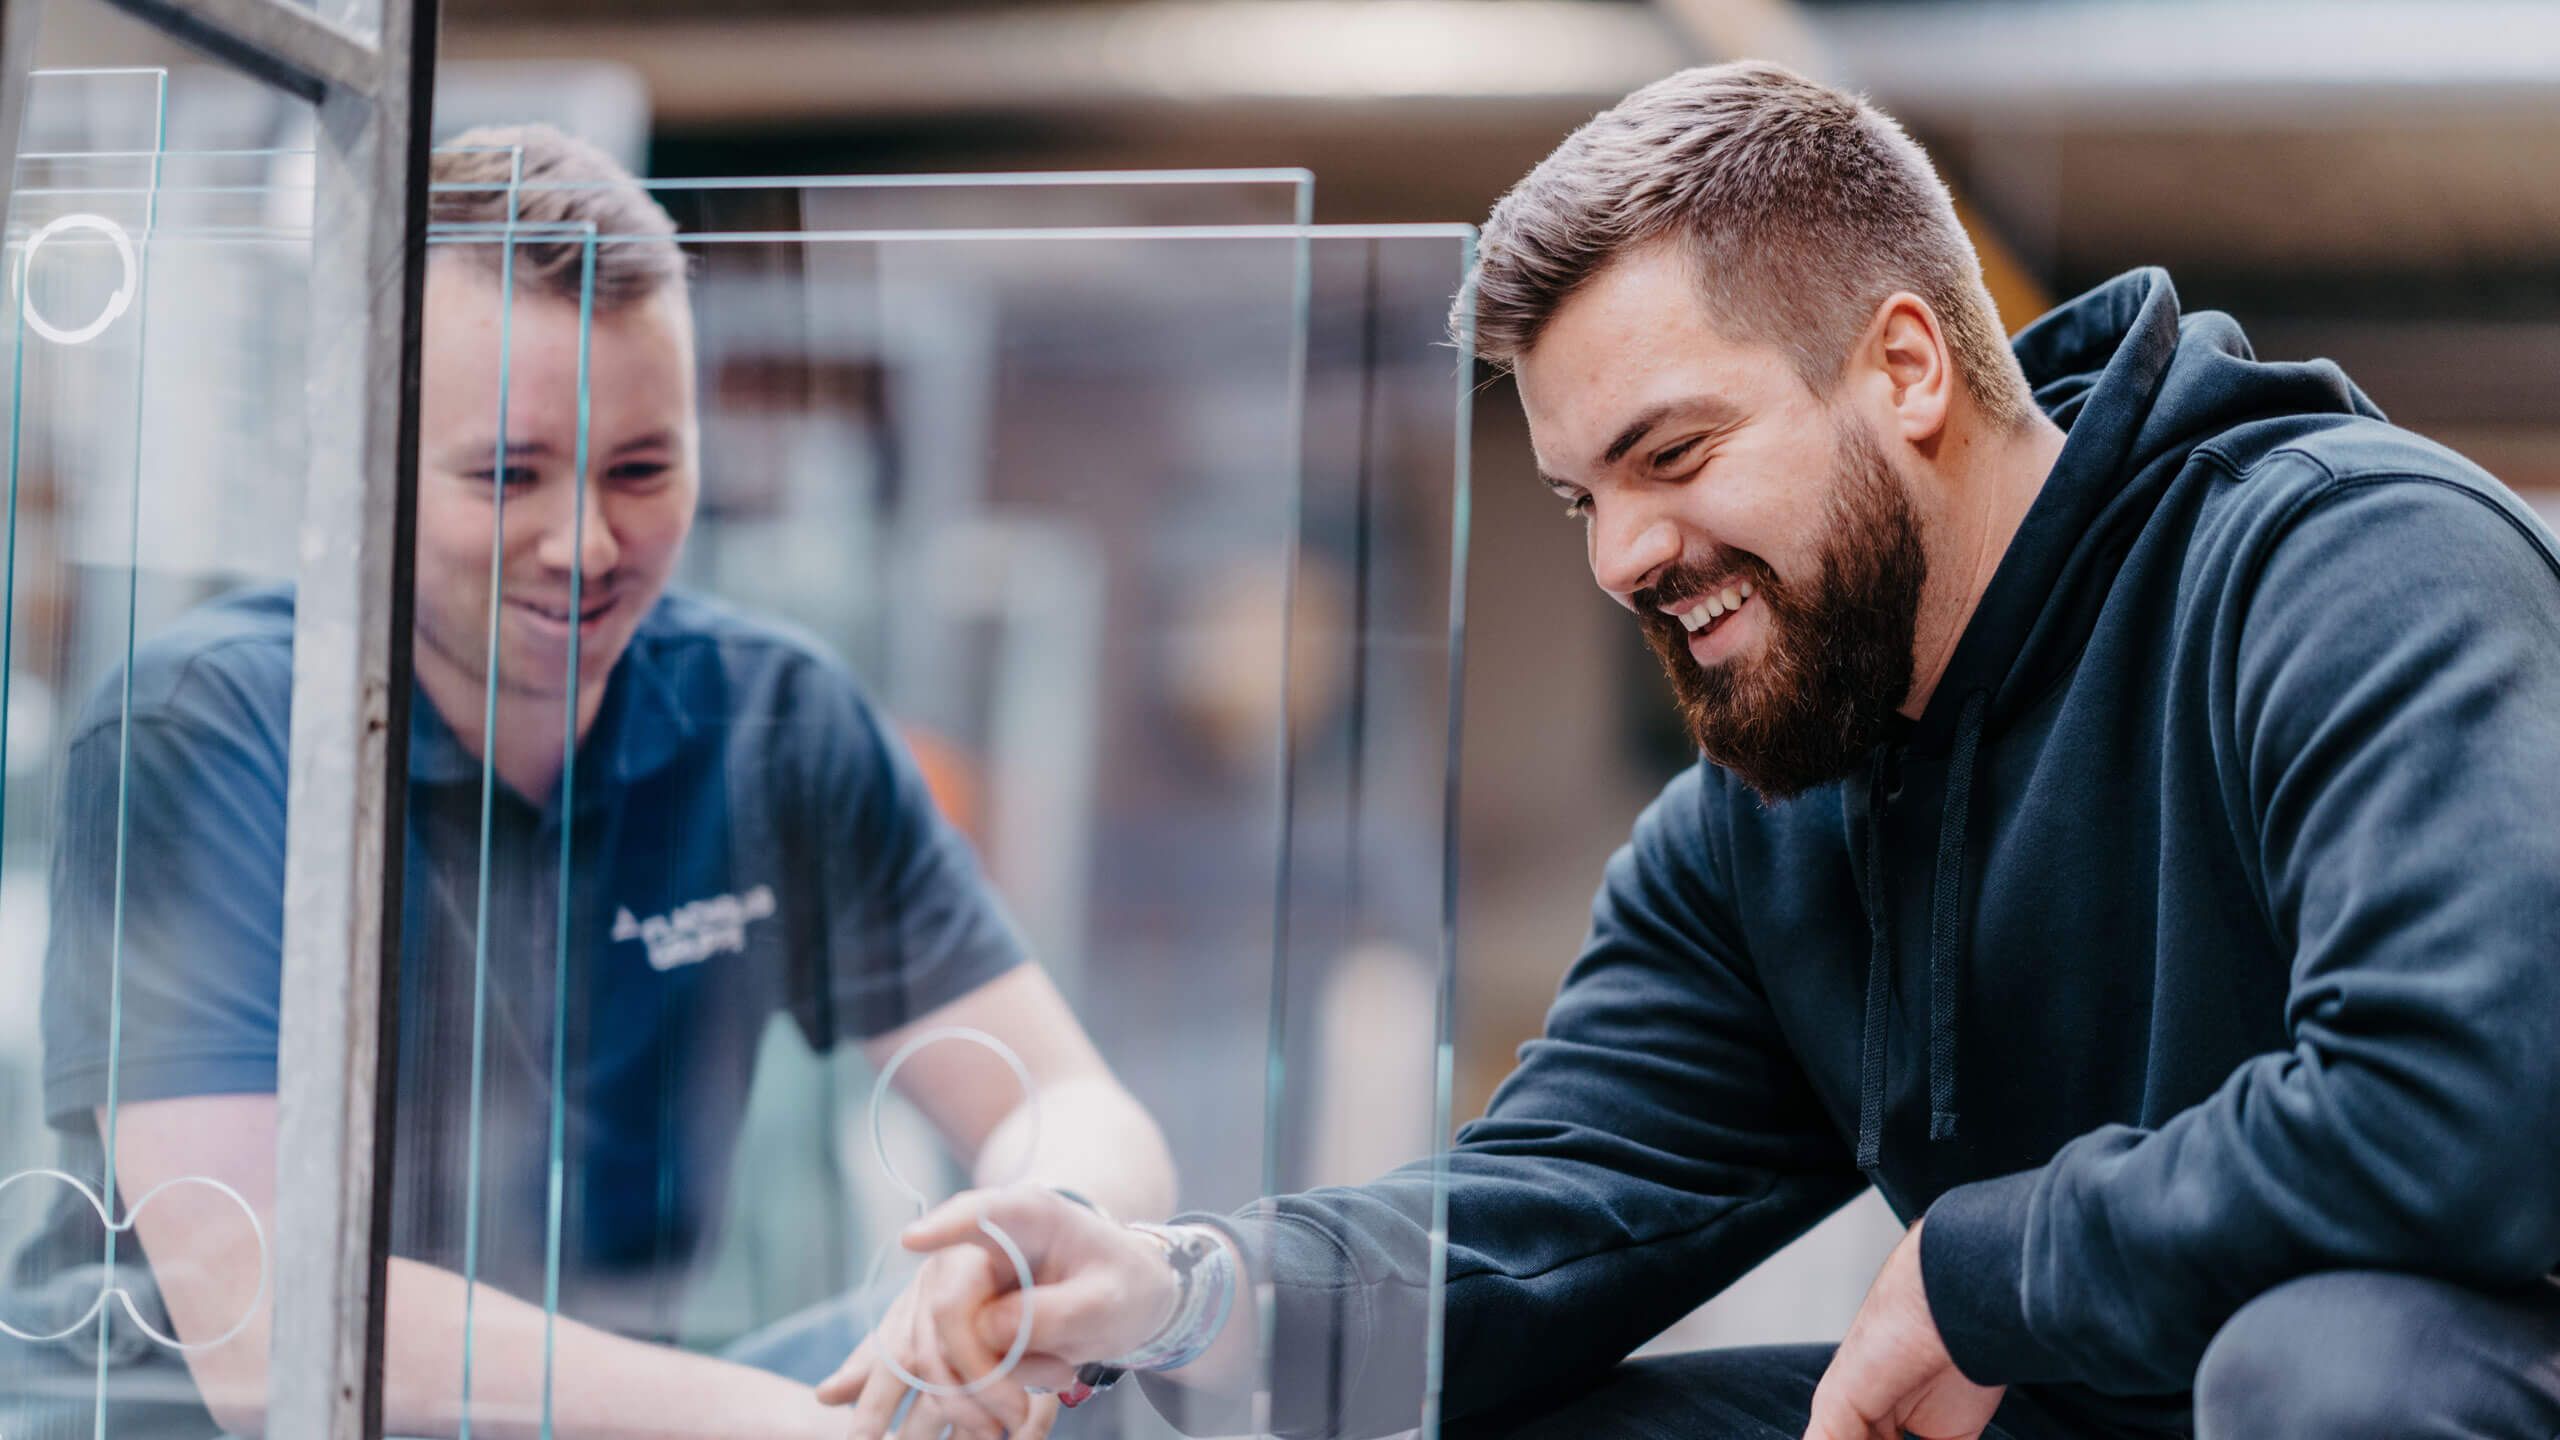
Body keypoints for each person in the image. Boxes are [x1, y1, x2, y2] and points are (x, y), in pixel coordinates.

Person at [840, 60, 2560, 1440]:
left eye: (1674, 452)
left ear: (1901, 369)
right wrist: (1177, 1288)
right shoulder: (1769, 820)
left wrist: (1981, 1270)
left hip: (2444, 1372)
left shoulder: (2348, 566)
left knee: (2329, 1367)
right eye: (1586, 498)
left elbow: (2467, 1103)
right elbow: (1552, 1210)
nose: (1621, 559)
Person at [3, 124, 1170, 1440]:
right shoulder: (203, 734)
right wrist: (796, 1426)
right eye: (505, 475)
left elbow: (1072, 1103)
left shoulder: (772, 719)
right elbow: (262, 1318)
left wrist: (1017, 1248)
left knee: (1062, 1378)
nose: (586, 542)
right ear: (361, 451)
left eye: (642, 470)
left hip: (621, 1411)